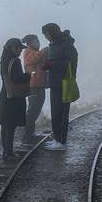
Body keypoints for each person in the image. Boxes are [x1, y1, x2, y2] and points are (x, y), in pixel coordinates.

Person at [41, 23, 78, 151]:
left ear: (53, 32)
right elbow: (56, 61)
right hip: (54, 83)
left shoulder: (66, 44)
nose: (46, 37)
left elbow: (71, 62)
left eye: (46, 34)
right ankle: (57, 139)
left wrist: (53, 64)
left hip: (64, 83)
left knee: (62, 113)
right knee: (55, 112)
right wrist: (49, 65)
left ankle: (62, 142)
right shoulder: (53, 44)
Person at [0, 37, 29, 161]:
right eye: (18, 48)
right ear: (12, 48)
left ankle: (6, 151)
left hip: (5, 94)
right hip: (14, 97)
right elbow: (17, 78)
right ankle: (9, 153)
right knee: (11, 125)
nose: (20, 50)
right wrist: (29, 75)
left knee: (5, 125)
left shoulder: (4, 60)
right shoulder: (15, 61)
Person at [19, 34, 47, 145]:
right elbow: (34, 59)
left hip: (39, 84)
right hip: (33, 85)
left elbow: (42, 66)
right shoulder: (28, 52)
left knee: (36, 110)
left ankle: (30, 134)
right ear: (30, 43)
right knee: (32, 111)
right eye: (36, 40)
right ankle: (27, 136)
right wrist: (46, 50)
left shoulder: (36, 52)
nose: (38, 42)